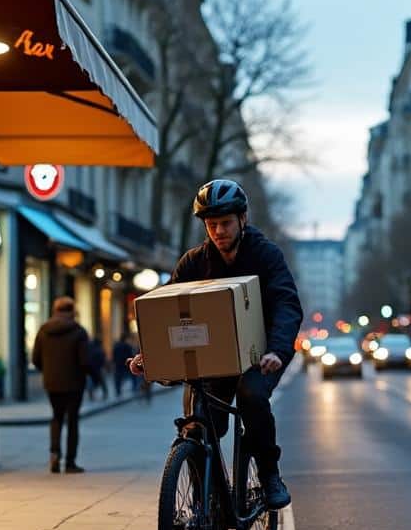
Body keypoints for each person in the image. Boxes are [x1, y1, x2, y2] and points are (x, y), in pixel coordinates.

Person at [127, 179, 302, 510]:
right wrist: (148, 355)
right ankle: (207, 499)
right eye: (211, 225)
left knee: (252, 397)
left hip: (261, 355)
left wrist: (277, 350)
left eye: (225, 223)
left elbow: (287, 306)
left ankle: (269, 474)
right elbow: (165, 312)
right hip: (215, 358)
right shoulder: (193, 263)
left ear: (242, 220)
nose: (218, 231)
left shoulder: (265, 255)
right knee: (200, 424)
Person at [32, 296, 90, 474]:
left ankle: (55, 456)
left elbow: (35, 358)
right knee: (72, 421)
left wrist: (48, 371)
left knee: (56, 418)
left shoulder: (43, 330)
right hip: (74, 383)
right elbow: (85, 361)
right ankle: (70, 463)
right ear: (72, 311)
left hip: (52, 383)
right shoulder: (79, 331)